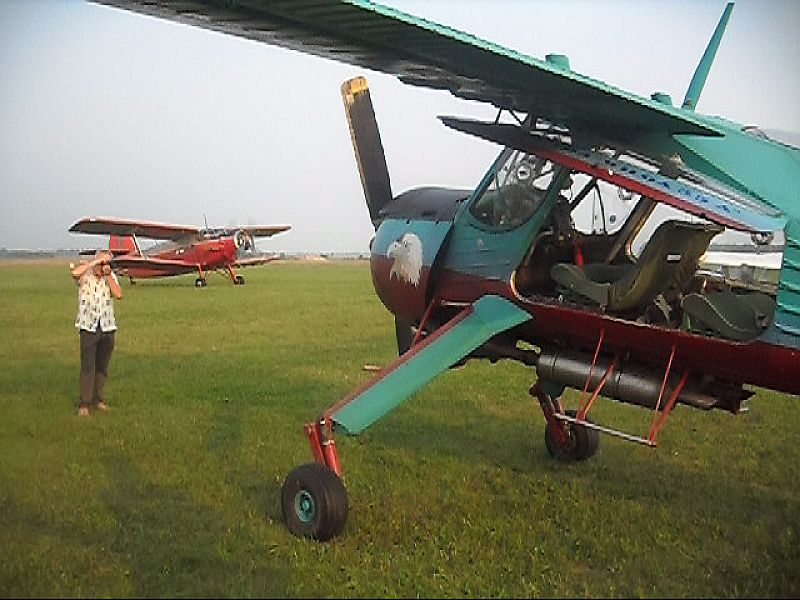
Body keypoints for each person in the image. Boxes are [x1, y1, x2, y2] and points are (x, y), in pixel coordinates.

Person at [70, 250, 123, 417]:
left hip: (107, 326)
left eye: (106, 263)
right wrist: (94, 262)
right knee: (87, 366)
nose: (103, 266)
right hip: (88, 327)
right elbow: (74, 273)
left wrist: (108, 275)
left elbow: (118, 294)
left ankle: (98, 400)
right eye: (102, 263)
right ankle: (84, 403)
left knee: (102, 367)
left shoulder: (110, 277)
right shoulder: (85, 276)